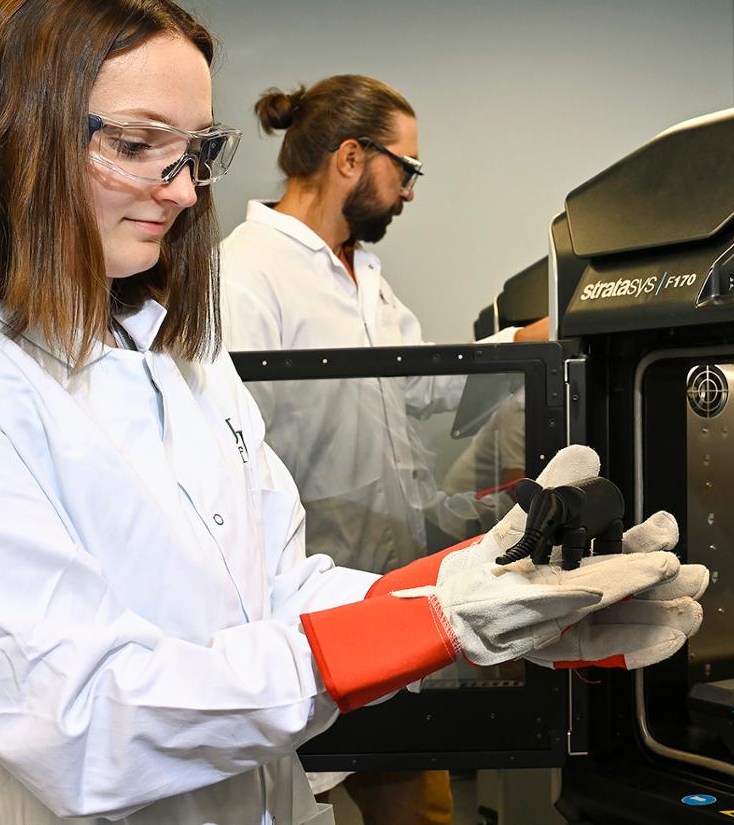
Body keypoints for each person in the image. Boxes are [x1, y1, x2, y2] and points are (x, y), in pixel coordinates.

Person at [0, 0, 707, 825]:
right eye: (141, 145)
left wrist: (498, 596)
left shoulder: (175, 359)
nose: (185, 191)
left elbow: (277, 592)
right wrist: (438, 622)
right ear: (8, 139)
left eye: (195, 151)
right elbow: (82, 720)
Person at [217, 76, 543, 823]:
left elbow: (421, 388)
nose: (411, 191)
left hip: (388, 593)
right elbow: (228, 445)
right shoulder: (247, 274)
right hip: (306, 615)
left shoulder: (363, 274)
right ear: (351, 158)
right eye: (408, 169)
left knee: (418, 810)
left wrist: (526, 348)